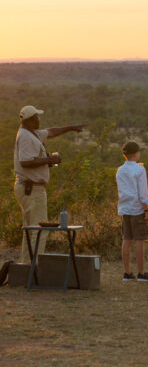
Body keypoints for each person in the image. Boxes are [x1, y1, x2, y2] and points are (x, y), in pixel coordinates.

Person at [14, 105, 85, 263]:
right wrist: (50, 160)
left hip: (27, 187)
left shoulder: (32, 133)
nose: (39, 119)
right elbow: (25, 161)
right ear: (32, 119)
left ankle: (25, 268)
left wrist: (71, 128)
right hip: (32, 189)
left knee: (31, 230)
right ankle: (34, 269)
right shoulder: (25, 136)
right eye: (37, 117)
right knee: (40, 229)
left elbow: (51, 131)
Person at [116, 141, 148, 282]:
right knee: (139, 240)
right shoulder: (140, 170)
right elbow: (143, 193)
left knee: (126, 239)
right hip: (137, 207)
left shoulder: (120, 170)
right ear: (136, 153)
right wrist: (146, 209)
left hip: (125, 207)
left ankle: (127, 272)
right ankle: (141, 272)